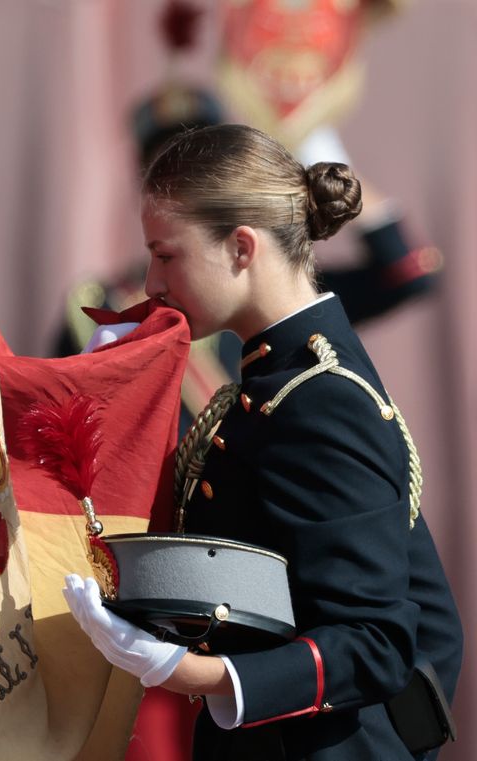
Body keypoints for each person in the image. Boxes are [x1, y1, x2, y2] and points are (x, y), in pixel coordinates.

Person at [64, 124, 463, 760]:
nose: (151, 283)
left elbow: (377, 641)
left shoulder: (321, 400)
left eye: (165, 255)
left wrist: (190, 674)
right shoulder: (275, 379)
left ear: (241, 248)